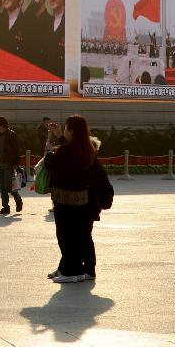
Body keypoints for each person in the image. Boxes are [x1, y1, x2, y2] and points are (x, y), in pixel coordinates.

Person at [44, 115, 105, 283]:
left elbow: (50, 163)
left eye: (65, 128)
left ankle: (71, 272)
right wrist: (58, 136)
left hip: (65, 199)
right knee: (78, 236)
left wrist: (49, 149)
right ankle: (72, 269)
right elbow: (69, 150)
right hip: (81, 199)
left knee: (67, 236)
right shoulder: (86, 147)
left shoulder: (67, 151)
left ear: (72, 131)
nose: (64, 131)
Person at [0, 117, 23, 215]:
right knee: (2, 187)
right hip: (0, 164)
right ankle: (5, 207)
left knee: (9, 186)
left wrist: (16, 164)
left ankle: (18, 201)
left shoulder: (11, 135)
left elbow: (17, 150)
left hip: (9, 164)